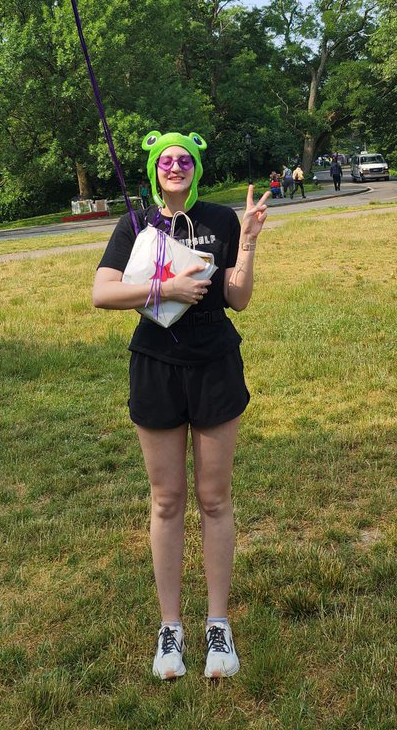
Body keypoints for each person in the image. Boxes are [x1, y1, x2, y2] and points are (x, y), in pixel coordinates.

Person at [93, 130, 270, 681]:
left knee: (214, 499)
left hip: (215, 365)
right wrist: (164, 290)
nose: (175, 166)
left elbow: (237, 298)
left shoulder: (220, 219)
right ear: (154, 168)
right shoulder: (137, 223)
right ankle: (171, 627)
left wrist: (249, 241)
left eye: (184, 159)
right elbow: (103, 292)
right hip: (156, 368)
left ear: (195, 166)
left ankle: (218, 622)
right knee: (166, 501)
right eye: (166, 159)